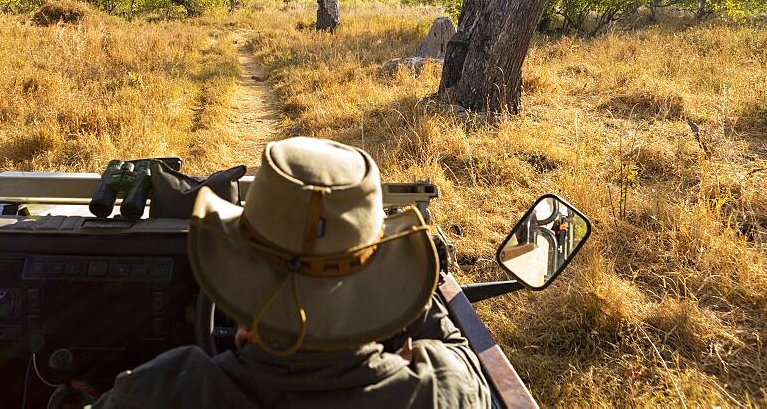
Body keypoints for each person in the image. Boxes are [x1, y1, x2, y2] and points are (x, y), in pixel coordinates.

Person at [93, 136, 490, 408]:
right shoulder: (436, 393)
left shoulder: (160, 392)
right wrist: (412, 283)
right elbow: (457, 354)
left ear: (236, 271)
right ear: (376, 284)